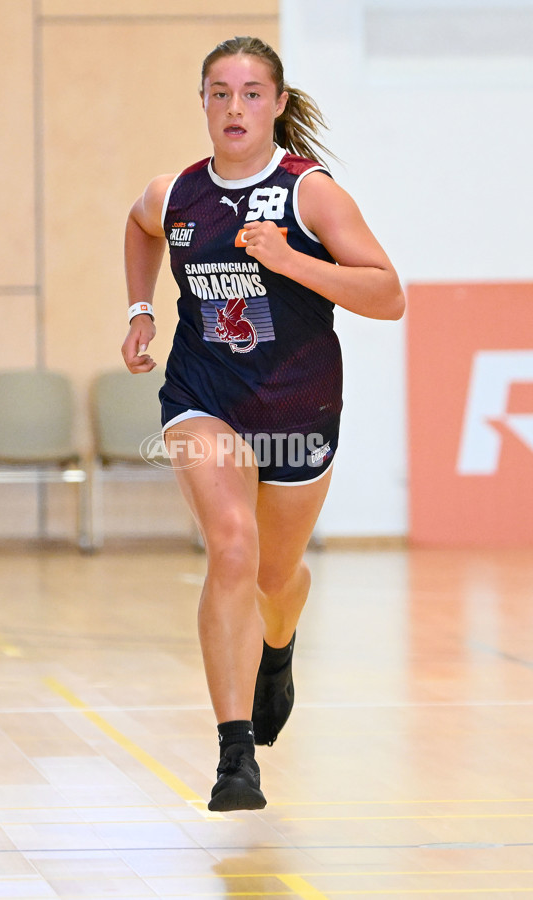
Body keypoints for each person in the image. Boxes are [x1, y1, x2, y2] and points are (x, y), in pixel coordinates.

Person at [122, 36, 405, 812]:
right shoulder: (176, 192)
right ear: (204, 103)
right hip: (203, 393)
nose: (234, 107)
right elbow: (138, 226)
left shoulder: (310, 194)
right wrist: (142, 310)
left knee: (276, 578)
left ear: (277, 105)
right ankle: (233, 756)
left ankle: (277, 648)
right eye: (219, 93)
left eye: (251, 93)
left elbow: (388, 294)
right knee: (232, 547)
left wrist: (289, 262)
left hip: (296, 404)